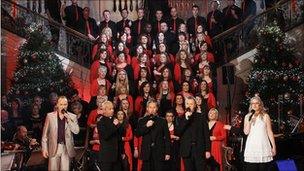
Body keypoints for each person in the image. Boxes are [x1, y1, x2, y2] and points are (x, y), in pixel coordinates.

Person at [41, 96, 80, 170]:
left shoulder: (72, 116)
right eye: (61, 104)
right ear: (57, 105)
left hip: (66, 148)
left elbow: (76, 131)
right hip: (53, 147)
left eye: (65, 104)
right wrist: (44, 149)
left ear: (67, 105)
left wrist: (68, 119)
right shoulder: (50, 116)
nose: (63, 106)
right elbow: (44, 135)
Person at [176, 96, 211, 171]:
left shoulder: (201, 117)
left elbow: (206, 135)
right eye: (187, 104)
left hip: (199, 149)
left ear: (195, 105)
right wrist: (186, 119)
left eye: (191, 104)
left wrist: (207, 150)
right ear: (185, 105)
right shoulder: (180, 118)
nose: (189, 105)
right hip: (186, 150)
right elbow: (178, 132)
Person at [243, 96, 276, 171]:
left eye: (256, 103)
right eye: (252, 103)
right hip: (252, 147)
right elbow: (246, 132)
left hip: (263, 147)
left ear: (260, 105)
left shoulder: (265, 116)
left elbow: (269, 132)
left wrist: (273, 146)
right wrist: (249, 121)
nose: (254, 105)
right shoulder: (247, 116)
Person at [136, 100, 171, 171]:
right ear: (147, 108)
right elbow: (137, 134)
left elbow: (167, 138)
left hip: (159, 152)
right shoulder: (141, 120)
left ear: (157, 109)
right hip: (146, 152)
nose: (152, 109)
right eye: (150, 107)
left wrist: (167, 152)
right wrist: (146, 126)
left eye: (154, 107)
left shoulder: (162, 121)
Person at [97, 101, 124, 171]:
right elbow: (105, 136)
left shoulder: (115, 119)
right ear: (104, 110)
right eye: (110, 109)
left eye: (112, 108)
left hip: (117, 155)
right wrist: (114, 125)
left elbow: (120, 136)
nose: (112, 110)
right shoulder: (100, 122)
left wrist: (122, 151)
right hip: (106, 156)